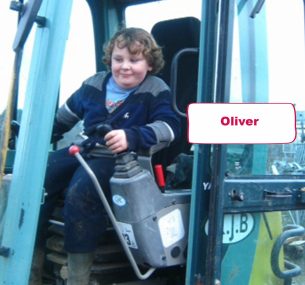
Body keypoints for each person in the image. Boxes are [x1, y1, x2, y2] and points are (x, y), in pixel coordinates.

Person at [30, 27, 180, 285]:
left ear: (150, 63)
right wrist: (32, 136)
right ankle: (31, 263)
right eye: (118, 59)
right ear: (109, 59)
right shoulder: (93, 85)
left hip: (120, 160)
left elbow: (170, 128)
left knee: (82, 192)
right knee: (35, 180)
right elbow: (63, 118)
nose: (125, 67)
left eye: (134, 60)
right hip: (83, 150)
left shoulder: (155, 89)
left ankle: (78, 276)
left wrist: (131, 136)